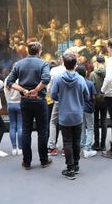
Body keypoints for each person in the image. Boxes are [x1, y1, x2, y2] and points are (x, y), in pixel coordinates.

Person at [6, 41, 52, 170]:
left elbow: (9, 82)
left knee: (26, 130)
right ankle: (44, 160)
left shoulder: (19, 64)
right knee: (42, 130)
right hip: (39, 99)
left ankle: (27, 162)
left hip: (25, 100)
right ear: (39, 51)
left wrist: (23, 90)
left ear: (27, 51)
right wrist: (36, 89)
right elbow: (46, 79)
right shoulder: (43, 63)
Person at [50, 52, 89, 180]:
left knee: (67, 141)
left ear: (63, 63)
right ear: (76, 64)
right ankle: (76, 165)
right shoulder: (81, 79)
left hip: (64, 115)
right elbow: (87, 96)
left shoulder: (58, 79)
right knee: (76, 140)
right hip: (77, 115)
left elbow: (53, 95)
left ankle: (70, 167)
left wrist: (61, 98)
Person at [47, 54, 67, 156]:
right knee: (65, 123)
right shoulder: (73, 71)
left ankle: (52, 147)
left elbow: (49, 86)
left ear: (61, 60)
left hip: (58, 100)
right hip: (68, 101)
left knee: (53, 122)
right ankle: (65, 148)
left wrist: (53, 97)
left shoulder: (54, 71)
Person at [76, 65, 98, 158]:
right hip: (89, 108)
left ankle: (82, 144)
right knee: (90, 128)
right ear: (86, 73)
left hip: (80, 109)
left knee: (82, 127)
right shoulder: (90, 83)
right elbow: (93, 96)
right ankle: (87, 148)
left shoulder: (76, 83)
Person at [4, 65, 23, 156]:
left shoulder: (7, 79)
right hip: (19, 104)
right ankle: (20, 148)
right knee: (20, 126)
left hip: (10, 104)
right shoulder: (21, 79)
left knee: (12, 126)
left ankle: (14, 148)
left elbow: (5, 93)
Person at [90, 55, 108, 151]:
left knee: (96, 122)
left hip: (96, 100)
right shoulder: (108, 72)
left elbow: (91, 88)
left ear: (97, 62)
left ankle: (96, 143)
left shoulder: (93, 74)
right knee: (104, 121)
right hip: (105, 99)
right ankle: (103, 144)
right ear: (104, 62)